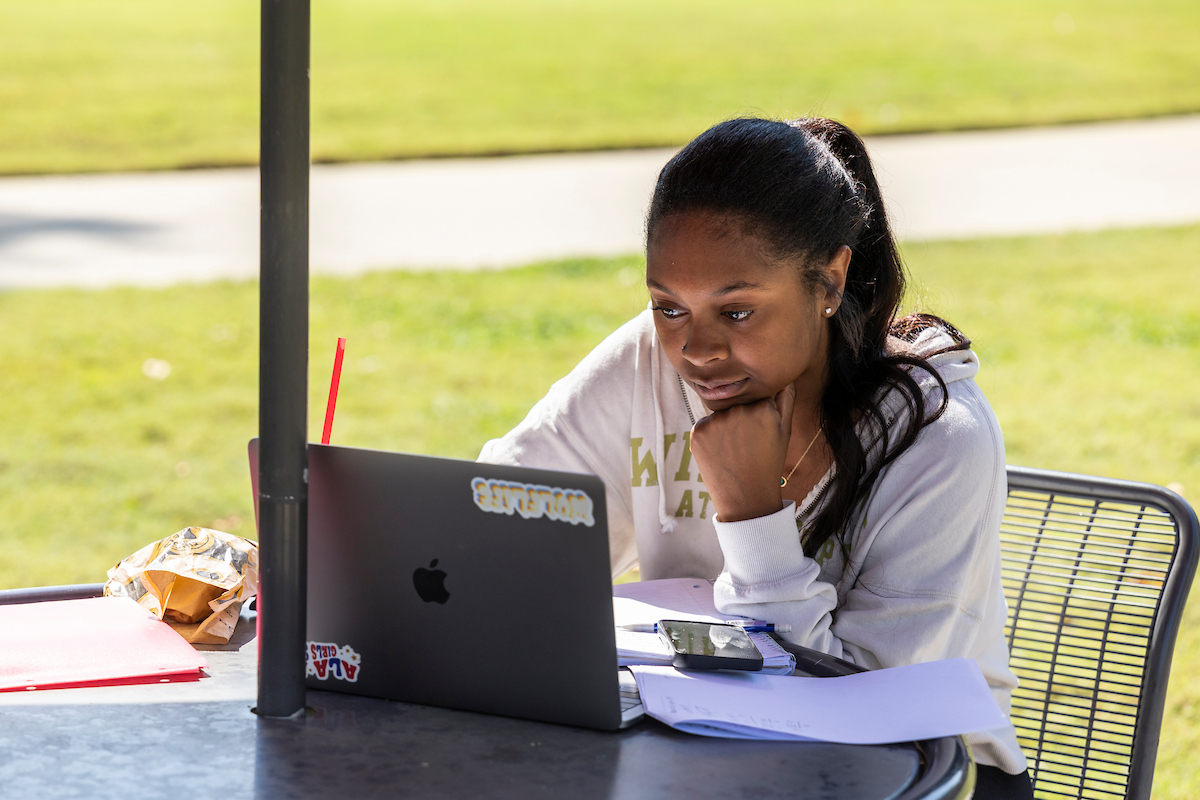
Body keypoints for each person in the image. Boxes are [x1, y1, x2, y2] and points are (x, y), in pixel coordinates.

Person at [479, 117, 1032, 797]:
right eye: (668, 305)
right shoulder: (649, 361)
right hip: (696, 751)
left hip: (918, 775)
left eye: (736, 312)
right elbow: (510, 524)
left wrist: (752, 516)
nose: (695, 350)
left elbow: (860, 710)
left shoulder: (939, 437)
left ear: (830, 282)